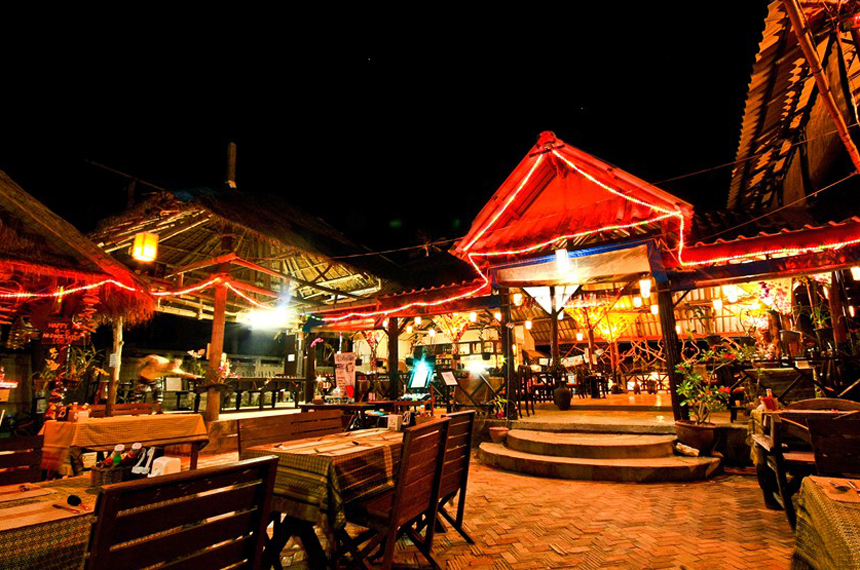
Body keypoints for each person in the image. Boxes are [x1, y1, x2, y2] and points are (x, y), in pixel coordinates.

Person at [135, 355, 199, 413]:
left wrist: (194, 376)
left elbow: (183, 373)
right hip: (144, 377)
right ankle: (135, 409)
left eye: (177, 367)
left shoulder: (174, 369)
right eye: (174, 366)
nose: (173, 369)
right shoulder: (160, 361)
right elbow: (151, 357)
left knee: (158, 392)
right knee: (138, 393)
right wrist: (142, 362)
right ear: (170, 363)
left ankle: (158, 410)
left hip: (155, 379)